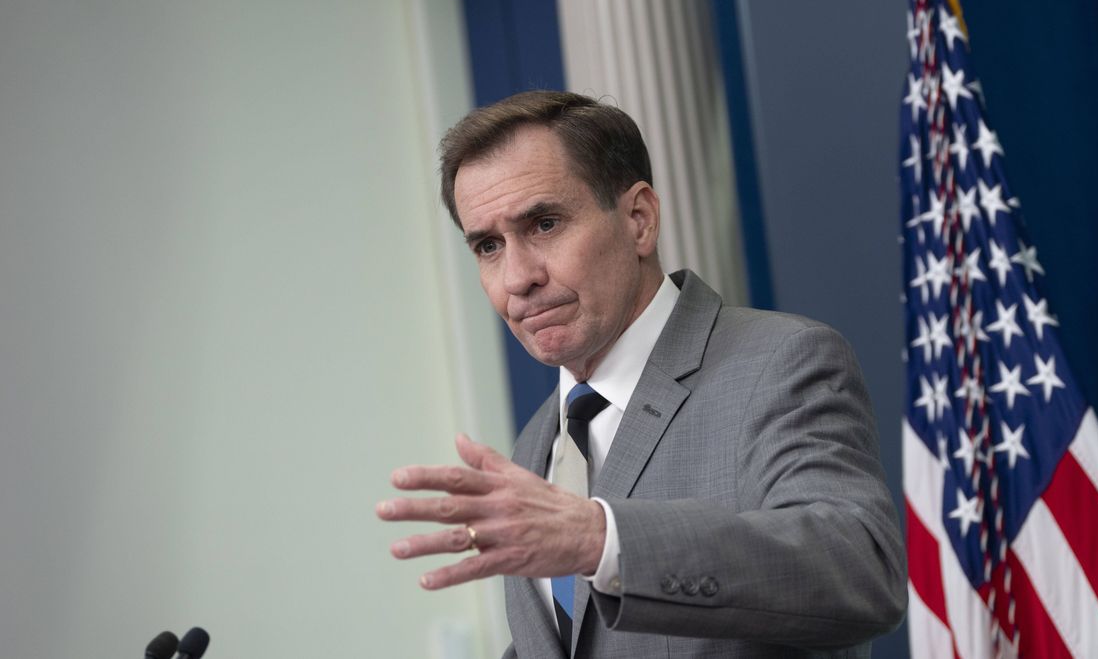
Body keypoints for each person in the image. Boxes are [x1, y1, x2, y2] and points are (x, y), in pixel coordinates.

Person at [375, 90, 906, 658]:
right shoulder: (536, 442)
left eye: (545, 223)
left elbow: (862, 567)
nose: (517, 278)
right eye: (488, 245)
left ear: (639, 220)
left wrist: (598, 539)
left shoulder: (780, 362)